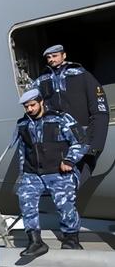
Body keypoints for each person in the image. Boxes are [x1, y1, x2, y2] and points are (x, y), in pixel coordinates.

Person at [14, 89, 87, 257]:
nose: (30, 109)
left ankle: (71, 239)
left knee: (65, 205)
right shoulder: (23, 124)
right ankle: (35, 241)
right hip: (33, 173)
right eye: (26, 107)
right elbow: (22, 151)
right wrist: (23, 172)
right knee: (25, 200)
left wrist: (69, 160)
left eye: (32, 105)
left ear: (41, 102)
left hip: (58, 171)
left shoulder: (61, 119)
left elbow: (81, 141)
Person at [29, 44, 109, 185]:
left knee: (71, 187)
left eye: (54, 56)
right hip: (55, 143)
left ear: (64, 55)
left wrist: (95, 146)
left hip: (81, 140)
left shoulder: (82, 75)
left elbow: (100, 111)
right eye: (48, 57)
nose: (51, 60)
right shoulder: (42, 80)